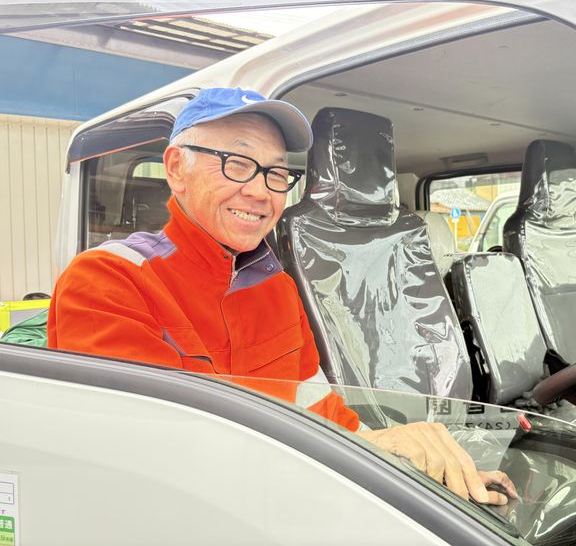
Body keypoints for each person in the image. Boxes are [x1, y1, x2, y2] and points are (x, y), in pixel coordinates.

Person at [48, 87, 517, 506]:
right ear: (176, 168)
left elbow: (320, 410)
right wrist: (370, 452)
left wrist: (420, 469)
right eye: (236, 163)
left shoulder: (277, 286)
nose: (260, 191)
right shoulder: (107, 281)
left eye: (276, 173)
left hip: (285, 500)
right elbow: (151, 459)